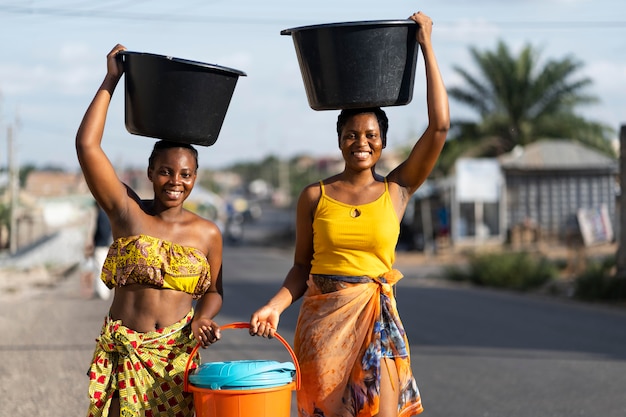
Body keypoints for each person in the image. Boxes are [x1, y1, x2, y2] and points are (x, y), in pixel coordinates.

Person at [249, 11, 449, 417]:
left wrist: (427, 45)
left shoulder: (397, 189)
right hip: (323, 328)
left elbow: (440, 127)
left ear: (383, 143)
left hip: (378, 319)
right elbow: (301, 268)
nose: (361, 142)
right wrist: (274, 306)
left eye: (371, 136)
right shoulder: (314, 196)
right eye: (351, 135)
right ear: (339, 140)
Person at [76, 44, 224, 417]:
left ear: (195, 179)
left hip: (175, 361)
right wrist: (112, 78)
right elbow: (87, 145)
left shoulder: (207, 233)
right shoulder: (127, 213)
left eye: (185, 174)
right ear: (149, 173)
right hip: (126, 353)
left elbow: (214, 292)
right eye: (166, 171)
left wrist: (205, 317)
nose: (175, 181)